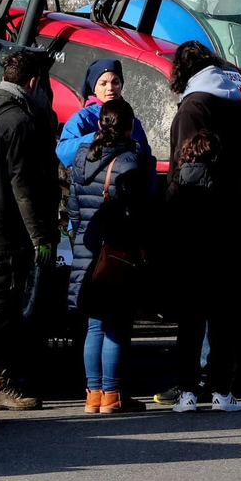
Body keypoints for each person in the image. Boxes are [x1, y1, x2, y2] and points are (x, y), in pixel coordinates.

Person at [0, 48, 60, 411]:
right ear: (33, 82)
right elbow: (25, 186)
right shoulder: (20, 122)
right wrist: (42, 238)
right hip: (6, 231)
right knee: (4, 307)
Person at [164, 41, 241, 392]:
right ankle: (224, 380)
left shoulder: (193, 108)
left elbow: (185, 169)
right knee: (223, 306)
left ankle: (190, 384)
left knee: (191, 311)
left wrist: (171, 211)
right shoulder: (234, 100)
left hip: (196, 217)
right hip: (231, 210)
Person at [69, 98, 156, 414]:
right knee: (117, 324)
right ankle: (113, 394)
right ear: (130, 127)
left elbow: (74, 210)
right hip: (117, 252)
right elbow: (141, 213)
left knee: (94, 324)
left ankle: (93, 395)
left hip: (87, 247)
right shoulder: (130, 162)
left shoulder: (81, 157)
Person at [161, 130, 241, 413]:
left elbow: (168, 227)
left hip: (187, 266)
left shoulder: (177, 183)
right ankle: (221, 393)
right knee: (221, 331)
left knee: (188, 332)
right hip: (221, 264)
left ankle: (187, 394)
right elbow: (237, 223)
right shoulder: (228, 180)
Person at [55, 59, 151, 167]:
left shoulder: (131, 119)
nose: (110, 88)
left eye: (115, 82)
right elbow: (63, 152)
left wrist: (149, 182)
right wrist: (96, 137)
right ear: (94, 88)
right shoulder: (83, 118)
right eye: (103, 84)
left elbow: (147, 159)